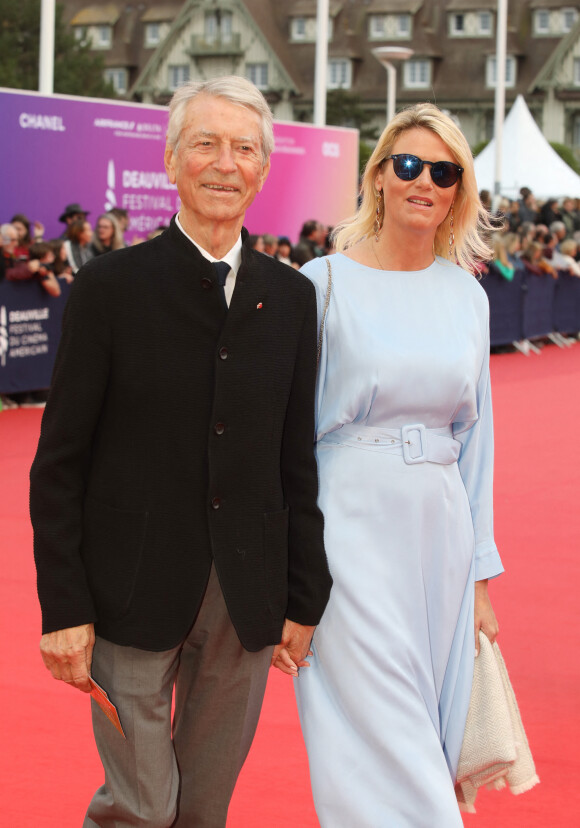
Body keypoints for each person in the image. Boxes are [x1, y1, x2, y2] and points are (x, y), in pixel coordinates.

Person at [30, 75, 331, 828]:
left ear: (264, 169)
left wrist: (303, 593)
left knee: (202, 808)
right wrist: (62, 606)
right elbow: (59, 462)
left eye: (244, 149)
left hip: (245, 596)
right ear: (171, 162)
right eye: (205, 144)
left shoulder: (291, 299)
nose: (225, 164)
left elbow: (296, 460)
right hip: (126, 590)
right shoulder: (109, 288)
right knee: (141, 805)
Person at [294, 102, 504, 827]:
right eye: (408, 165)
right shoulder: (320, 283)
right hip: (348, 525)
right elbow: (291, 432)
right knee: (378, 724)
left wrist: (479, 574)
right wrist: (293, 562)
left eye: (444, 171)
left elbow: (478, 444)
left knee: (426, 719)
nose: (425, 182)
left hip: (438, 531)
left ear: (458, 191)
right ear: (378, 176)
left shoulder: (468, 296)